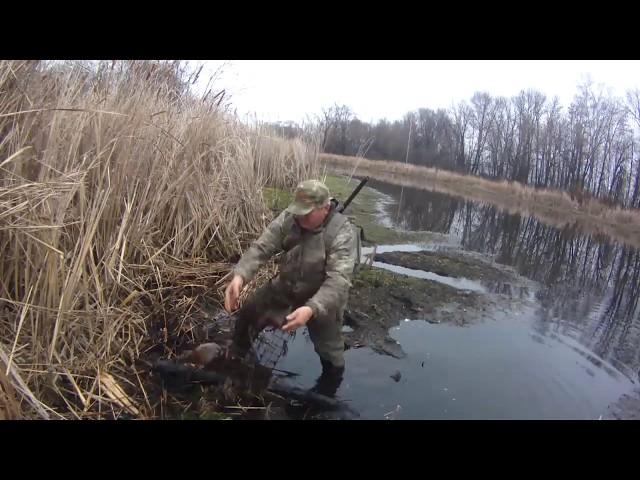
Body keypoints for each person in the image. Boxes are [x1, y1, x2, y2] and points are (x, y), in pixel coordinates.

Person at [224, 179, 358, 396]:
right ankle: (235, 358)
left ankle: (326, 392)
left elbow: (339, 281)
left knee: (331, 354)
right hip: (286, 286)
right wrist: (239, 276)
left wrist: (311, 308)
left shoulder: (342, 232)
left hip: (323, 297)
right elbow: (262, 246)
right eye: (298, 211)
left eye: (307, 213)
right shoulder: (291, 217)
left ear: (325, 209)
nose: (300, 217)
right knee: (249, 311)